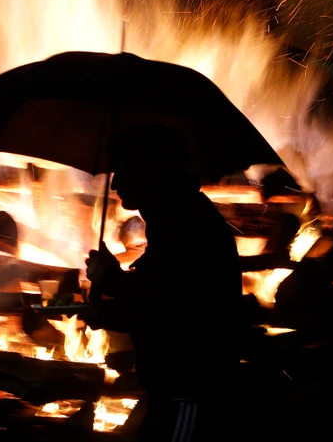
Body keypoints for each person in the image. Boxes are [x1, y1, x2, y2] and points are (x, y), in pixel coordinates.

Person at [83, 123, 243, 441]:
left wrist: (112, 292)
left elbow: (171, 310)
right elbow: (159, 295)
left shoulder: (186, 227)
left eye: (123, 170)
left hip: (190, 386)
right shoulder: (176, 218)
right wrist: (111, 287)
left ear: (150, 170)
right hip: (172, 386)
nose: (114, 183)